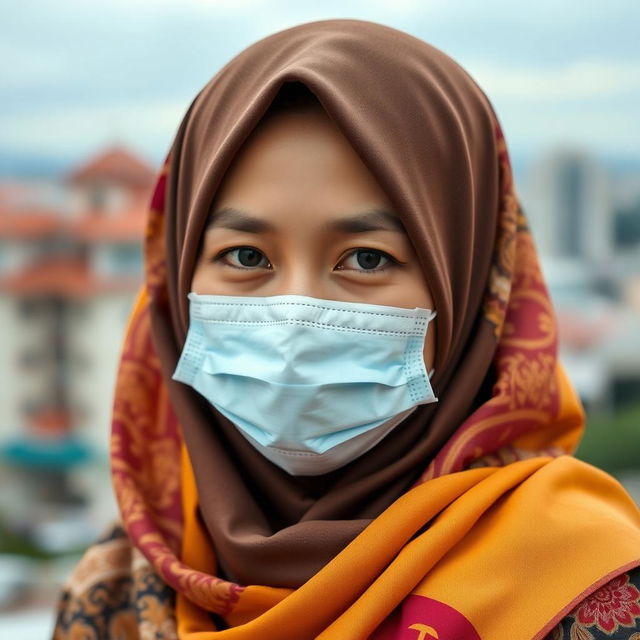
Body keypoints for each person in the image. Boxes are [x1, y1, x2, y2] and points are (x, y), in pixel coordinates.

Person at [52, 18, 640, 640]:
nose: (295, 322)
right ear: (177, 282)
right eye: (246, 256)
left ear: (467, 285)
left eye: (367, 258)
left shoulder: (588, 588)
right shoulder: (116, 586)